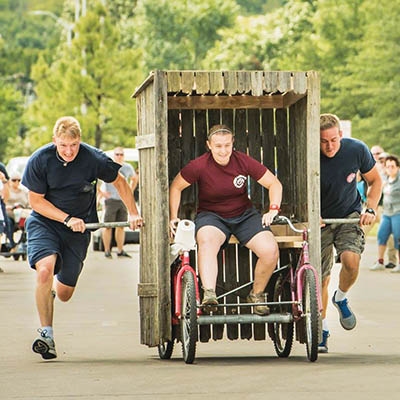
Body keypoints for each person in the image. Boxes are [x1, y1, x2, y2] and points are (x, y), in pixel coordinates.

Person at [21, 116, 143, 360]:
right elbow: (35, 201)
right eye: (63, 145)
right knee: (45, 270)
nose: (69, 151)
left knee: (64, 293)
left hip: (79, 229)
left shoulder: (93, 158)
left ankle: (51, 294)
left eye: (74, 145)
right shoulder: (39, 160)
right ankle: (47, 335)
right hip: (45, 222)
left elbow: (119, 182)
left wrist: (133, 212)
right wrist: (66, 218)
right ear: (54, 141)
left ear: (80, 141)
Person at [169, 124, 282, 315]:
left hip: (245, 215)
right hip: (212, 216)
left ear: (232, 144)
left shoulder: (242, 161)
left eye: (227, 145)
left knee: (270, 250)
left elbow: (274, 183)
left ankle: (256, 294)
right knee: (206, 241)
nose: (223, 151)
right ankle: (209, 294)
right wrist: (173, 216)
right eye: (218, 146)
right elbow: (176, 187)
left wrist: (273, 209)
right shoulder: (200, 165)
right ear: (209, 145)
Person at [318, 113, 382, 354]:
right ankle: (322, 330)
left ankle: (341, 297)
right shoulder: (310, 154)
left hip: (348, 215)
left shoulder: (357, 149)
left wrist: (371, 208)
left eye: (334, 140)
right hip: (320, 219)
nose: (330, 146)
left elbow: (375, 181)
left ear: (341, 136)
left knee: (351, 261)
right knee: (321, 278)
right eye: (324, 141)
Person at [100, 147, 138, 258]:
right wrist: (102, 192)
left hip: (123, 200)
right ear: (114, 155)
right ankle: (107, 250)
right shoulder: (108, 166)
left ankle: (120, 250)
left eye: (121, 154)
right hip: (110, 200)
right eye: (117, 154)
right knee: (107, 226)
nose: (119, 156)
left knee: (121, 226)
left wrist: (130, 190)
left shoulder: (127, 167)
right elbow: (94, 179)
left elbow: (134, 178)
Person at [370, 155, 400, 272]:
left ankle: (398, 263)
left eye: (392, 166)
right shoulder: (384, 179)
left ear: (397, 167)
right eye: (388, 167)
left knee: (398, 238)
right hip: (387, 213)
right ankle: (380, 261)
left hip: (398, 212)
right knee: (381, 235)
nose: (390, 169)